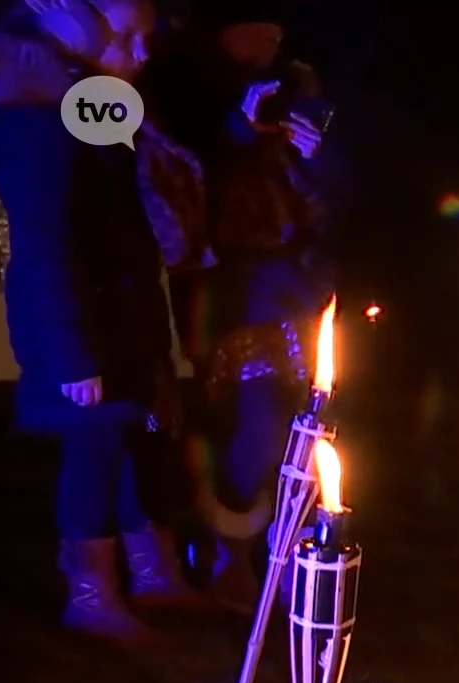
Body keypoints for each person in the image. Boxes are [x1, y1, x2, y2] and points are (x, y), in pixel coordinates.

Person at [0, 0, 206, 643]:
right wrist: (71, 354)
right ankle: (92, 594)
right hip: (82, 321)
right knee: (95, 448)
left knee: (142, 436)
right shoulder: (34, 114)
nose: (144, 52)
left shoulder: (92, 102)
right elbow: (44, 238)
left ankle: (156, 576)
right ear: (77, 26)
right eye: (129, 36)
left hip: (123, 311)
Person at [144, 2, 335, 611]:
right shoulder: (181, 89)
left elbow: (327, 199)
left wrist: (316, 158)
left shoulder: (298, 87)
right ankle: (228, 552)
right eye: (258, 28)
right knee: (248, 415)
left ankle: (286, 549)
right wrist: (235, 128)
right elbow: (179, 180)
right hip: (227, 282)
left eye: (278, 31)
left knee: (302, 417)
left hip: (295, 280)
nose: (269, 41)